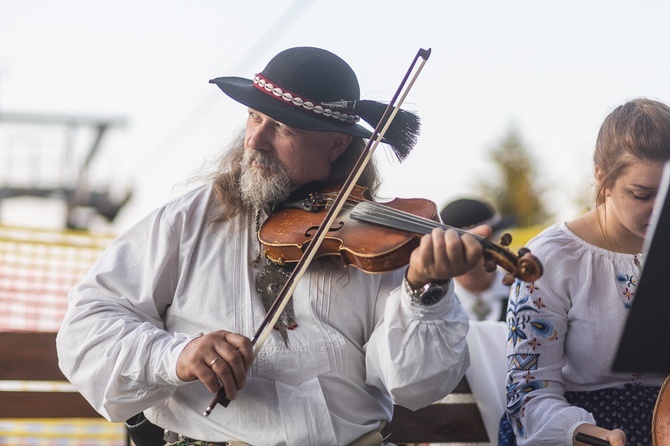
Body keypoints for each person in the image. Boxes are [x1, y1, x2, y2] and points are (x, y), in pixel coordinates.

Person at [56, 47, 488, 446]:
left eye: (280, 128)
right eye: (254, 118)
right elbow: (87, 325)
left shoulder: (375, 242)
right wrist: (176, 354)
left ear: (336, 143)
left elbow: (415, 384)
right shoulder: (188, 221)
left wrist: (425, 293)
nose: (255, 140)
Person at [501, 98, 670, 446]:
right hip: (586, 429)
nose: (659, 209)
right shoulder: (552, 257)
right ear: (602, 179)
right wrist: (579, 433)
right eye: (642, 194)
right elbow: (528, 389)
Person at [440, 198, 516, 321]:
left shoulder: (523, 294)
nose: (472, 251)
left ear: (497, 240)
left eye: (482, 241)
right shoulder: (434, 305)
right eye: (459, 247)